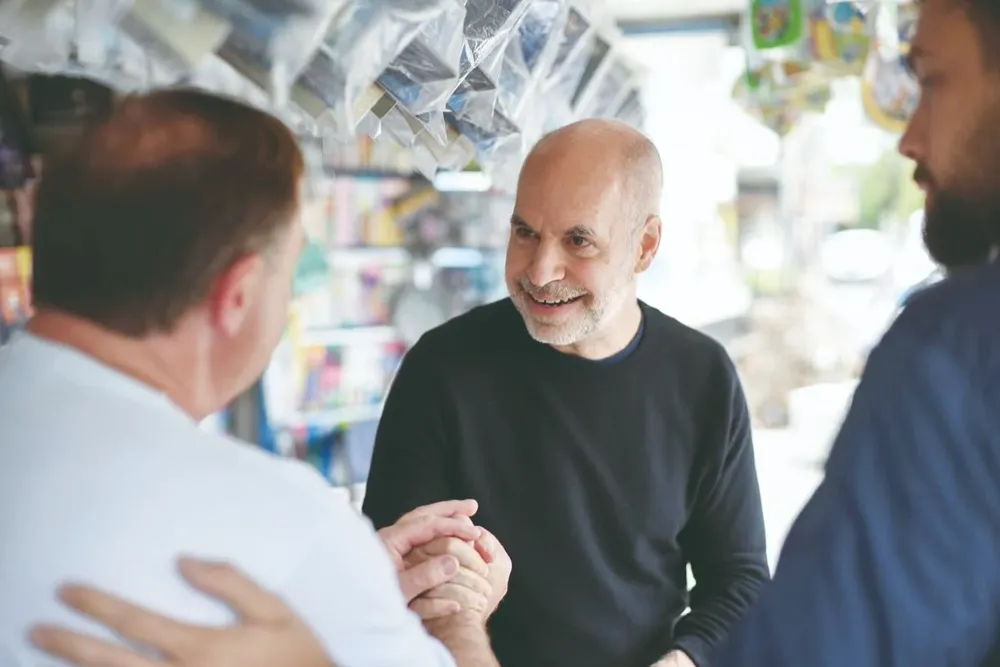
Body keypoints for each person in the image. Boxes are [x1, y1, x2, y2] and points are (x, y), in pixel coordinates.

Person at [0, 88, 510, 667]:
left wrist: (349, 586)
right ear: (237, 297)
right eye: (290, 270)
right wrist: (457, 618)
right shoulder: (282, 529)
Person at [361, 118, 769, 667]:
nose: (539, 269)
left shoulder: (702, 376)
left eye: (578, 240)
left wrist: (685, 658)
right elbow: (394, 575)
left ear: (644, 246)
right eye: (525, 232)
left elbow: (738, 579)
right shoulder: (443, 368)